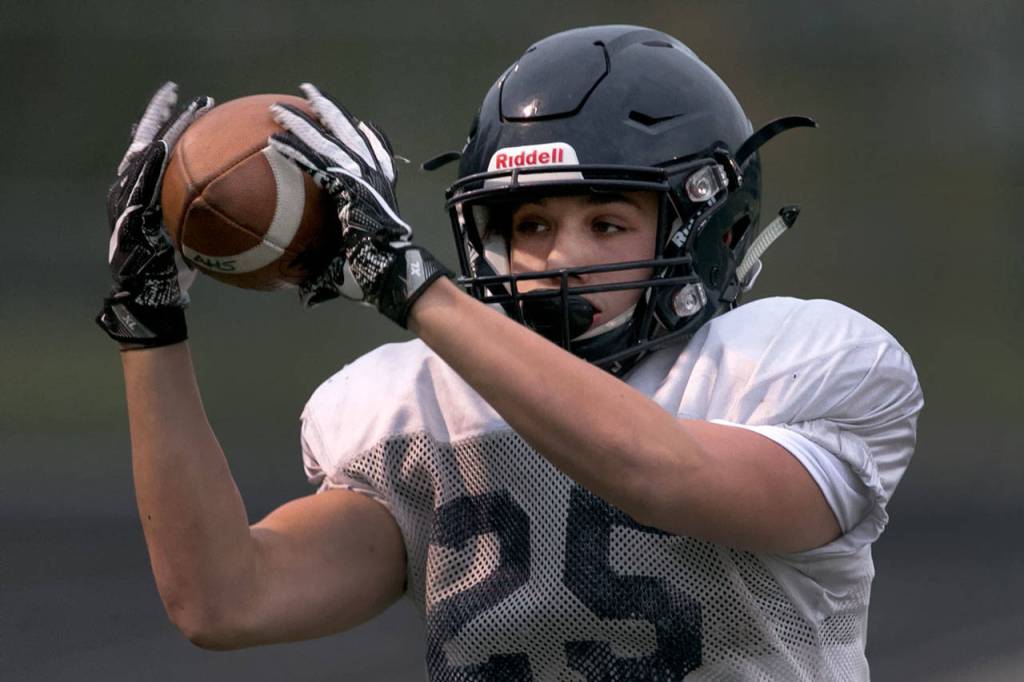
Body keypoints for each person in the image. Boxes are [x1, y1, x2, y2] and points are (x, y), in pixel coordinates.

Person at [97, 25, 923, 681]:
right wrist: (151, 329)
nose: (559, 259)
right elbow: (225, 599)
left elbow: (660, 475)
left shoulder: (788, 365)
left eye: (606, 223)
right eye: (530, 226)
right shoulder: (420, 407)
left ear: (708, 227)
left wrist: (416, 290)